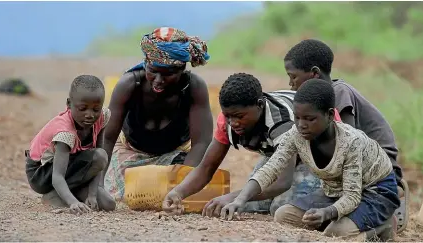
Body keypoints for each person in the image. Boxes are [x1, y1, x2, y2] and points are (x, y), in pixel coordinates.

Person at [221, 79, 400, 241]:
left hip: (375, 191)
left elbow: (352, 196)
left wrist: (327, 212)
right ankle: (347, 221)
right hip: (336, 190)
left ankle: (383, 227)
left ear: (330, 115)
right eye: (297, 118)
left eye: (309, 119)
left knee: (337, 234)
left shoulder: (350, 142)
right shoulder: (297, 134)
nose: (301, 125)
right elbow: (272, 167)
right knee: (284, 216)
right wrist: (240, 199)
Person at [162, 73, 341, 216]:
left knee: (281, 207)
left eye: (239, 116)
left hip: (320, 152)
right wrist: (178, 193)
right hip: (281, 153)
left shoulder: (281, 123)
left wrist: (235, 196)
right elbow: (206, 167)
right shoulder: (227, 121)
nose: (233, 123)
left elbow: (282, 182)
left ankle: (341, 200)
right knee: (242, 203)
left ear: (260, 105)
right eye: (228, 116)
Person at [283, 39, 409, 232]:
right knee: (286, 213)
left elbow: (344, 151)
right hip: (344, 177)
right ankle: (345, 218)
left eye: (293, 77)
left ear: (314, 74)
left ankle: (383, 216)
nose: (291, 85)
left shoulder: (339, 93)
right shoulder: (318, 103)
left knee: (336, 229)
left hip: (374, 174)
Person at [101, 27, 213, 200]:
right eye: (153, 71)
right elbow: (107, 138)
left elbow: (201, 144)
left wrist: (183, 188)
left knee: (193, 192)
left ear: (181, 69)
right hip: (130, 154)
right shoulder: (130, 85)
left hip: (175, 156)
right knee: (124, 196)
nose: (159, 81)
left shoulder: (193, 88)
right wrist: (97, 185)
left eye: (168, 74)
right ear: (146, 63)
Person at [25, 75, 116, 214]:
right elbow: (57, 176)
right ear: (69, 104)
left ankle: (67, 193)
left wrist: (92, 194)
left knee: (108, 204)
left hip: (70, 168)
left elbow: (98, 163)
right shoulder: (65, 133)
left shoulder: (101, 117)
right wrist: (73, 202)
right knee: (100, 155)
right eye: (83, 108)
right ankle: (54, 195)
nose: (90, 115)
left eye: (95, 109)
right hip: (42, 174)